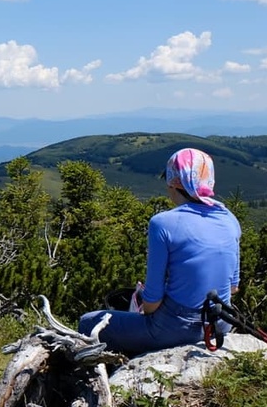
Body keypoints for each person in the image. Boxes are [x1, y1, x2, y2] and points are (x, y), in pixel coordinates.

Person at [77, 147, 242, 355]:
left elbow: (151, 306)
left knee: (87, 322)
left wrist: (147, 298)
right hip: (219, 324)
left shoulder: (162, 223)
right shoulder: (228, 218)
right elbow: (233, 287)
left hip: (177, 327)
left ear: (173, 182)